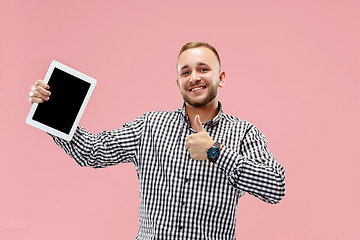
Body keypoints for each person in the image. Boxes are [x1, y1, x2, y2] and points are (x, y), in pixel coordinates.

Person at [28, 41, 285, 240]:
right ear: (178, 83)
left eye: (203, 69)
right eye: (186, 72)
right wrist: (50, 110)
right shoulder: (150, 126)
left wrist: (216, 152)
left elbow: (275, 188)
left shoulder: (245, 133)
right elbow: (94, 152)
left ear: (221, 77)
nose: (194, 77)